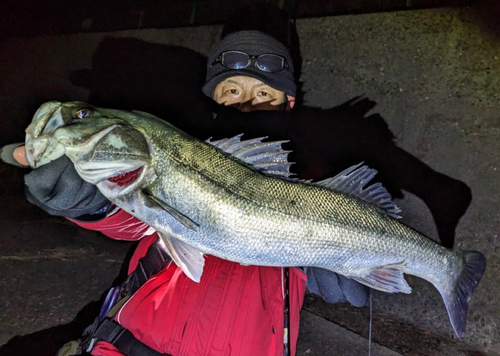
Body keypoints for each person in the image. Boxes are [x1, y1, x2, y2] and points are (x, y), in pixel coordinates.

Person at [0, 28, 369, 356]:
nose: (247, 104)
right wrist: (89, 201)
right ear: (213, 99)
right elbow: (135, 223)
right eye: (233, 90)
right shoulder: (183, 154)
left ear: (288, 103)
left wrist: (340, 263)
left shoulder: (314, 185)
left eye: (264, 93)